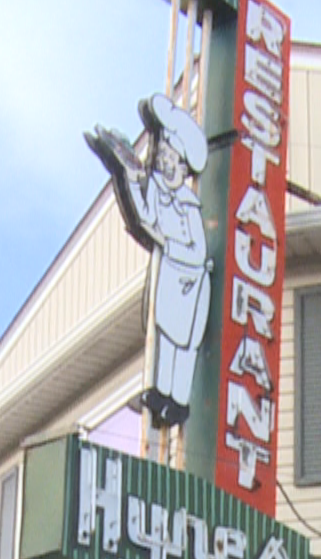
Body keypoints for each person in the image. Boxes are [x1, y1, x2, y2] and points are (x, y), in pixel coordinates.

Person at [86, 94, 212, 429]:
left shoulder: (188, 205)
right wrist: (124, 172)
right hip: (168, 274)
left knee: (183, 345)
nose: (166, 162)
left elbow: (198, 251)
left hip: (190, 282)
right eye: (164, 155)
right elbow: (142, 216)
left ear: (185, 167)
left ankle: (178, 400)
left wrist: (168, 243)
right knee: (164, 335)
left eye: (173, 158)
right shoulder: (156, 189)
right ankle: (160, 394)